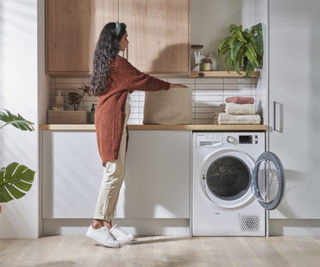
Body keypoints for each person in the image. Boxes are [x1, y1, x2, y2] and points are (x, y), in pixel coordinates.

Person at [85, 21, 187, 248]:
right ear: (116, 40)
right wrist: (170, 86)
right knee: (113, 173)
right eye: (125, 38)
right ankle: (97, 225)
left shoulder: (108, 61)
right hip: (111, 121)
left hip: (110, 119)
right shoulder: (118, 62)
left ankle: (108, 223)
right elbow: (143, 80)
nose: (128, 41)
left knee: (116, 172)